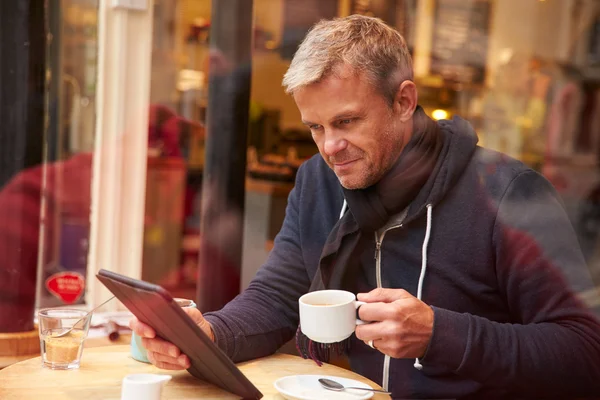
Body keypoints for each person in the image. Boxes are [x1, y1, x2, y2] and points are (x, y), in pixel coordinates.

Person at [130, 15, 600, 399]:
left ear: (404, 101)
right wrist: (207, 337)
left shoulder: (508, 192)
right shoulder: (318, 180)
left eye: (347, 121)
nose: (330, 147)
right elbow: (276, 298)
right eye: (315, 127)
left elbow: (584, 352)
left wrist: (440, 334)